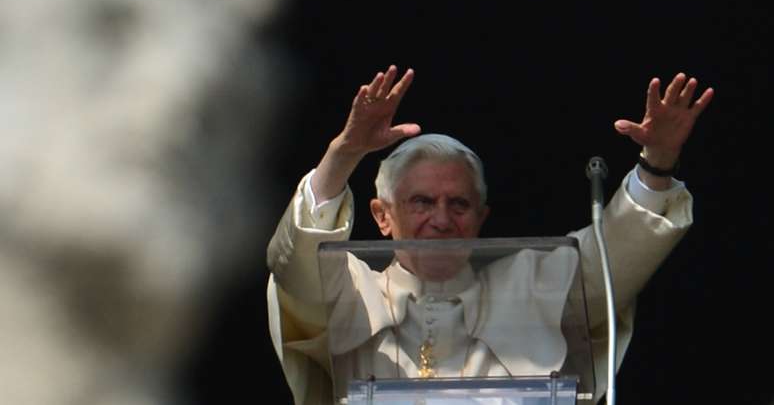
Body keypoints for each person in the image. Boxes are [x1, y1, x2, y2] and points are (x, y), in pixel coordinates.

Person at [267, 66, 714, 404]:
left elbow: (616, 257)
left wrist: (656, 167)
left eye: (458, 204)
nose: (442, 220)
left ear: (481, 218)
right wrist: (342, 155)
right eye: (421, 202)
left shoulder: (533, 284)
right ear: (382, 217)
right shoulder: (350, 291)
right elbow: (295, 266)